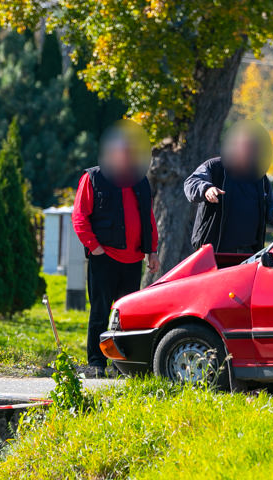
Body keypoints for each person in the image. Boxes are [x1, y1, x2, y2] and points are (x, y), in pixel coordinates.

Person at [73, 123, 160, 377]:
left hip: (133, 259)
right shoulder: (93, 178)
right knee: (100, 312)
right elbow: (80, 217)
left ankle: (124, 365)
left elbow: (149, 219)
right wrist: (95, 247)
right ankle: (96, 363)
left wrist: (151, 251)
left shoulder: (141, 181)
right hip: (104, 258)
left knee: (129, 317)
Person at [185, 122, 273, 254]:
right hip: (214, 253)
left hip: (249, 254)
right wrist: (206, 189)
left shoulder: (259, 176)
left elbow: (272, 202)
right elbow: (191, 183)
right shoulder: (215, 167)